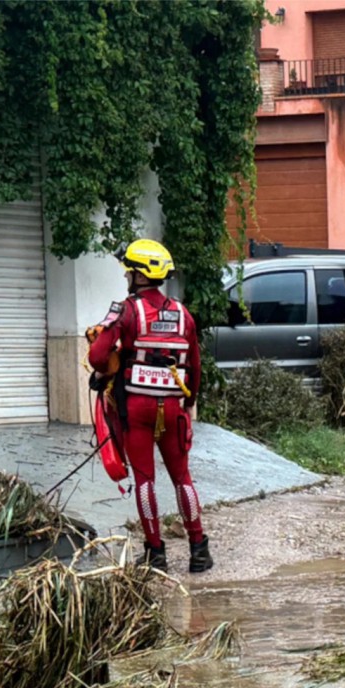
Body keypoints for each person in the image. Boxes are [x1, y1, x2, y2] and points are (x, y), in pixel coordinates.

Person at [87, 238, 212, 574]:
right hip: (174, 408)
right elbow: (196, 368)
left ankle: (156, 554)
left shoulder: (126, 310)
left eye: (128, 270)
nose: (126, 276)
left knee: (145, 481)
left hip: (136, 410)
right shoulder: (183, 314)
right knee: (182, 478)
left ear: (137, 275)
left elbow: (97, 357)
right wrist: (187, 403)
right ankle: (199, 551)